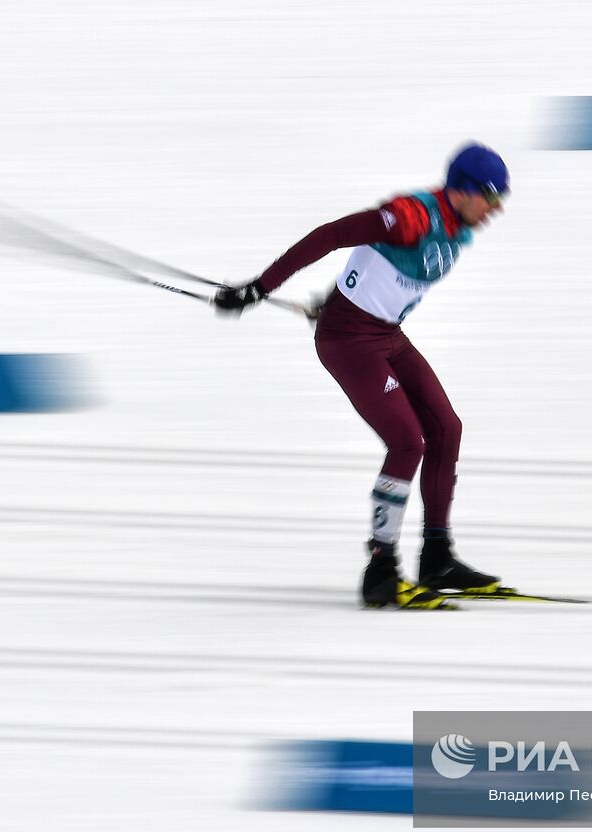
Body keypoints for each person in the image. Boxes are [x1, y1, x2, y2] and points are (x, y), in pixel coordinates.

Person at [213, 143, 509, 609]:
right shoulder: (411, 216)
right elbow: (330, 236)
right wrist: (260, 287)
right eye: (490, 197)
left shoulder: (455, 226)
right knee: (408, 442)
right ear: (463, 190)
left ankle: (437, 558)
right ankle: (381, 571)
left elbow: (375, 270)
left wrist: (335, 294)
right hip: (349, 342)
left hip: (385, 335)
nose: (495, 209)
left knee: (446, 429)